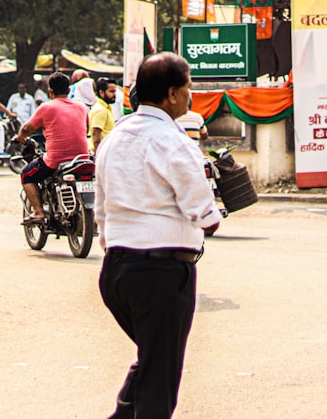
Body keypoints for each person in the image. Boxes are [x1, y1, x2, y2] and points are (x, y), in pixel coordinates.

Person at [95, 52, 221, 418]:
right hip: (160, 274)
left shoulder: (114, 139)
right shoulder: (172, 140)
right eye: (187, 89)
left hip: (117, 270)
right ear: (171, 94)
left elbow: (100, 209)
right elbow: (204, 211)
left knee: (152, 360)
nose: (189, 97)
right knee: (160, 376)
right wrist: (213, 217)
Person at [15, 72, 89, 223]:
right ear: (69, 90)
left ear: (50, 92)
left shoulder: (46, 107)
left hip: (56, 160)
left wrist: (20, 138)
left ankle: (38, 212)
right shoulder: (82, 107)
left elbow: (26, 129)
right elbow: (85, 127)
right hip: (82, 158)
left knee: (26, 175)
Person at [90, 77, 118, 153]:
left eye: (115, 91)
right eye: (111, 91)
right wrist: (98, 155)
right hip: (101, 153)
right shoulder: (100, 110)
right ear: (101, 92)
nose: (114, 95)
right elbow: (95, 134)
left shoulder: (106, 108)